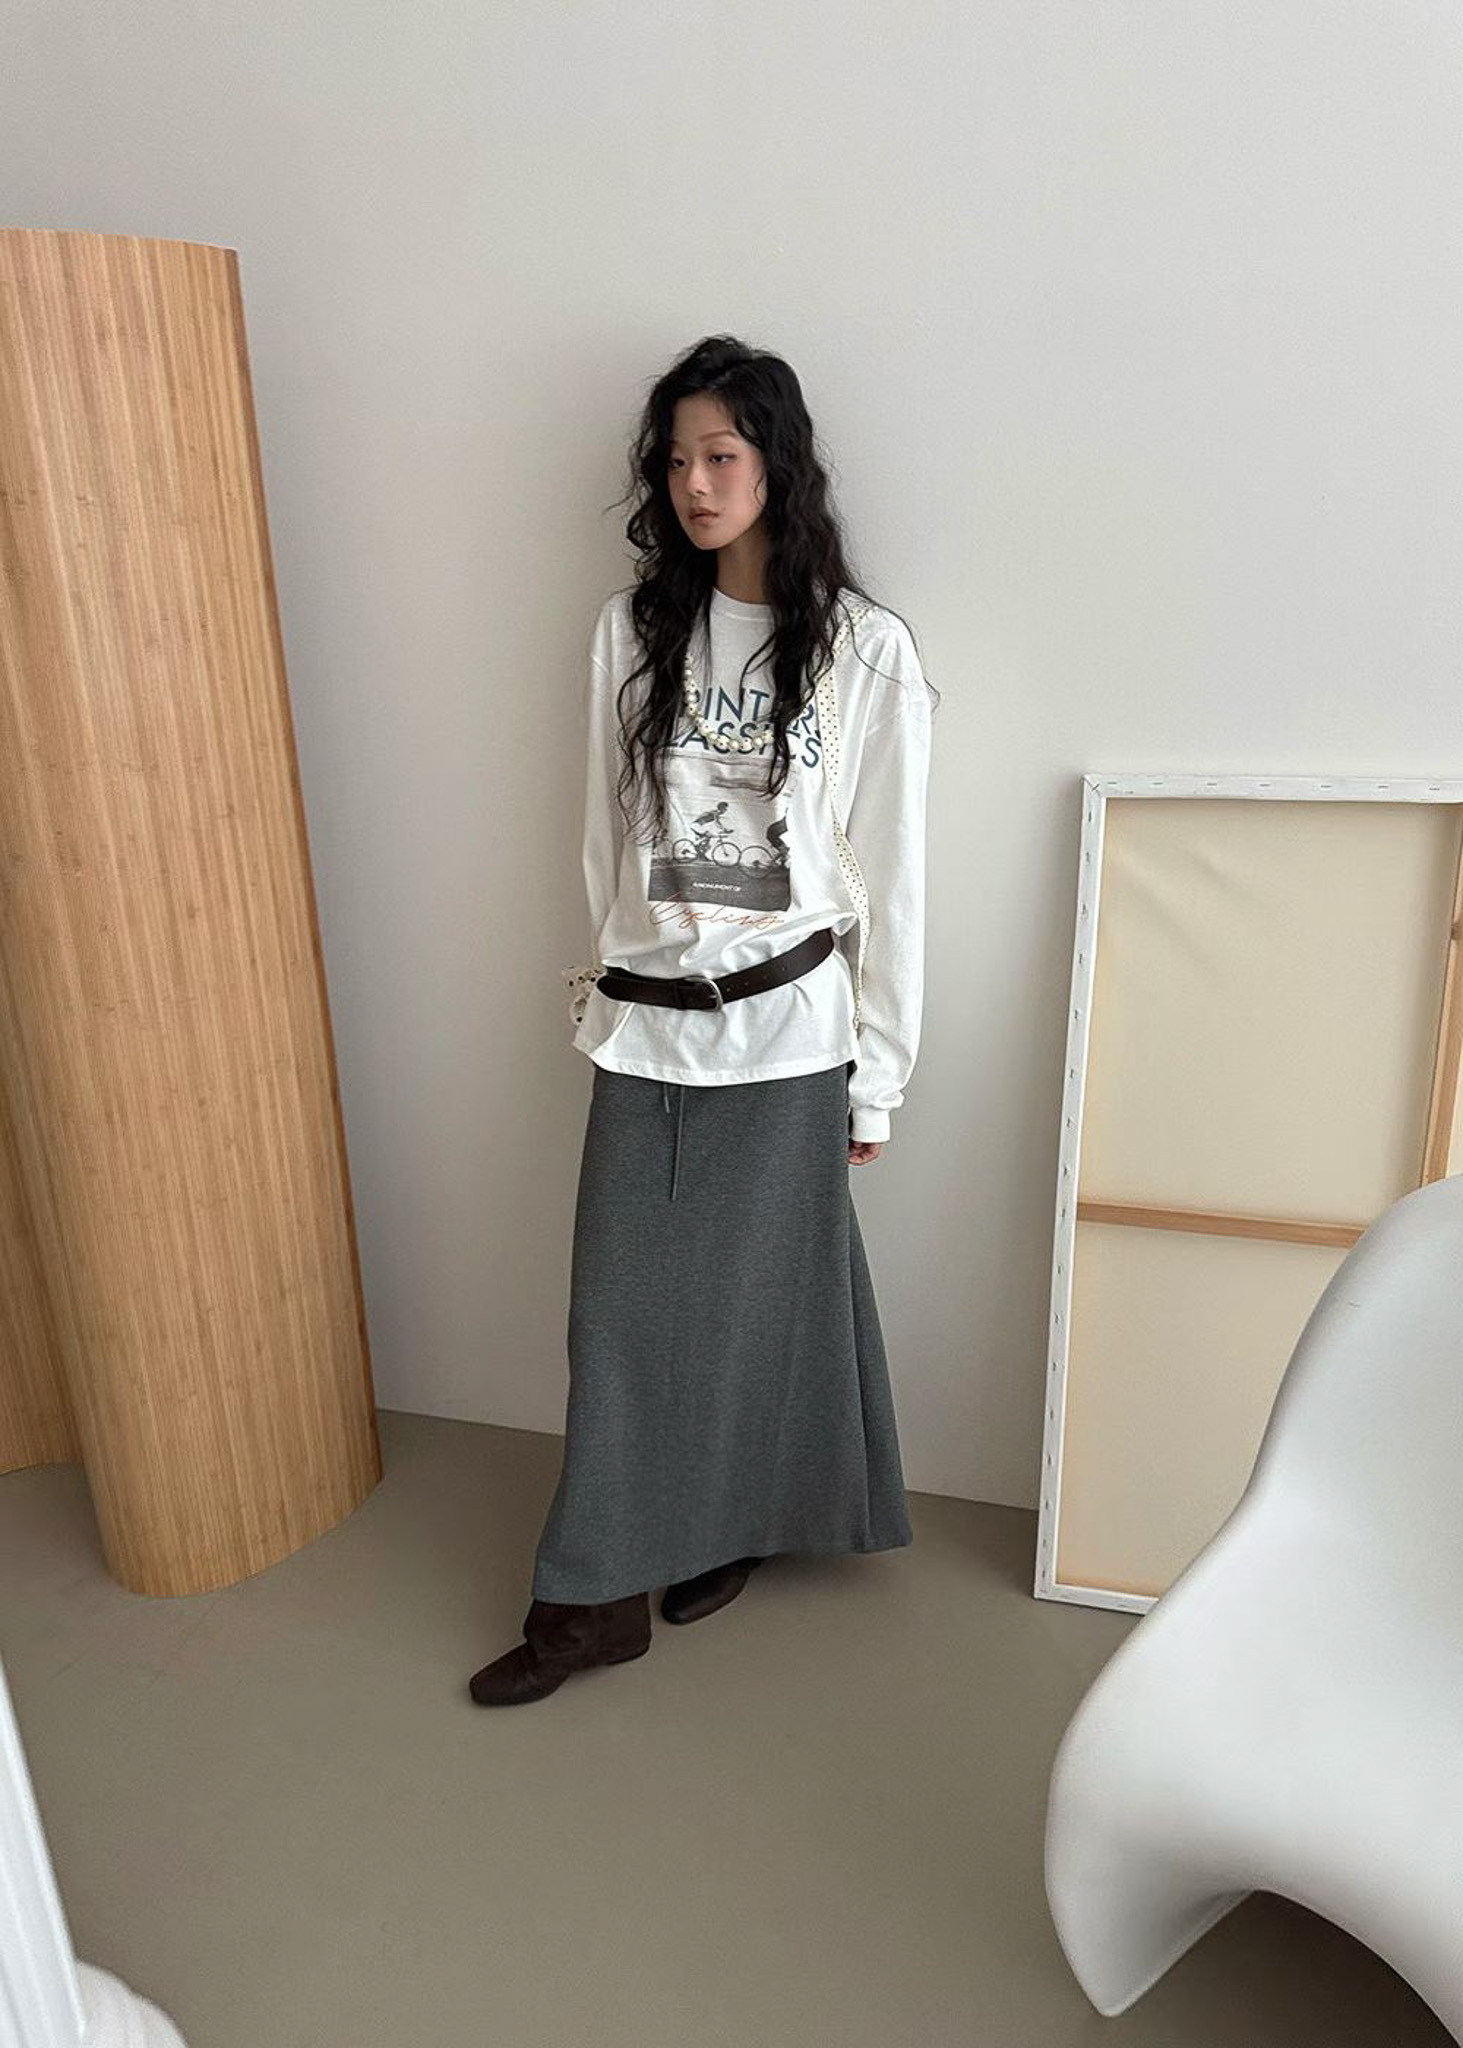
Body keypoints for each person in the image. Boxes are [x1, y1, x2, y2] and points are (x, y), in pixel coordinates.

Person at [468, 334, 938, 1707]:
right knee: (616, 1320)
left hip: (791, 1032)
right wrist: (620, 977)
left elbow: (893, 882)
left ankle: (729, 1531)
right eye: (676, 459)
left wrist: (879, 1078)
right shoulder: (631, 632)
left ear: (776, 464)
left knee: (761, 1308)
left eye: (721, 455)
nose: (694, 483)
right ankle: (593, 1604)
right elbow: (604, 839)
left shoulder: (863, 650)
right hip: (647, 1026)